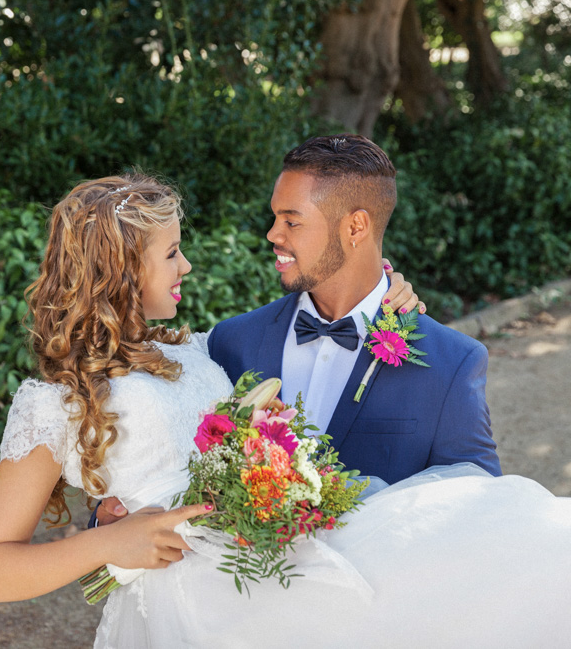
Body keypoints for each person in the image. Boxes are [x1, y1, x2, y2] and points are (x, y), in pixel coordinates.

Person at [0, 170, 571, 647]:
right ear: (123, 270)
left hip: (271, 576)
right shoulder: (54, 404)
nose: (187, 266)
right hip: (188, 610)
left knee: (501, 544)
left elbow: (345, 300)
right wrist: (110, 543)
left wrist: (385, 286)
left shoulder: (193, 352)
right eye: (172, 253)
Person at [94, 133, 501, 526]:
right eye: (275, 217)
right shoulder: (230, 344)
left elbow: (479, 511)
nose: (273, 234)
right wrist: (109, 526)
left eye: (292, 221)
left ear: (356, 228)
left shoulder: (452, 363)